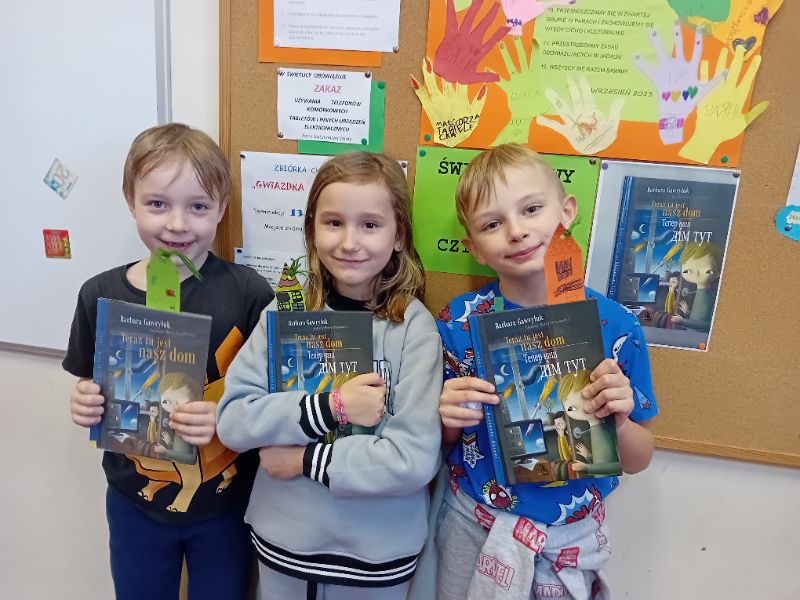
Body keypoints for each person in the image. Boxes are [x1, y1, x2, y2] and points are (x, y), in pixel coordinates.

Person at [216, 152, 443, 600]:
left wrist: (305, 460)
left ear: (399, 235)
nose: (349, 242)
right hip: (284, 544)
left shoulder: (413, 328)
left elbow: (413, 459)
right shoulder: (286, 312)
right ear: (312, 231)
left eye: (370, 225)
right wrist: (329, 407)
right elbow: (234, 421)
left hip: (377, 556)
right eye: (334, 222)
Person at [436, 144, 658, 600]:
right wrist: (447, 420)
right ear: (474, 248)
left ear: (567, 211)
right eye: (492, 224)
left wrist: (618, 420)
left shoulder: (617, 326)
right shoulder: (457, 323)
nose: (517, 231)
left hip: (572, 539)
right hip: (475, 526)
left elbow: (639, 459)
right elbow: (441, 445)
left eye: (531, 209)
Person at [63, 123, 274, 600]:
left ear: (222, 208)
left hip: (227, 505)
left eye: (198, 206)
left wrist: (225, 416)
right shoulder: (99, 294)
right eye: (158, 204)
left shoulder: (248, 293)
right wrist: (84, 402)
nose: (177, 224)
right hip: (134, 502)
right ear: (130, 201)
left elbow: (272, 398)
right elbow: (91, 383)